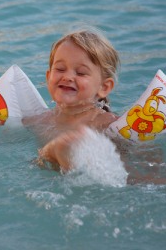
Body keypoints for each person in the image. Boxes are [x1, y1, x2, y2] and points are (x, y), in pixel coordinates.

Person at [23, 27, 120, 171]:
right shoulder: (38, 121)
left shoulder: (108, 125)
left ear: (104, 87)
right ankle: (54, 154)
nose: (67, 77)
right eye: (60, 69)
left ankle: (54, 153)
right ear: (48, 77)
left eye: (81, 73)